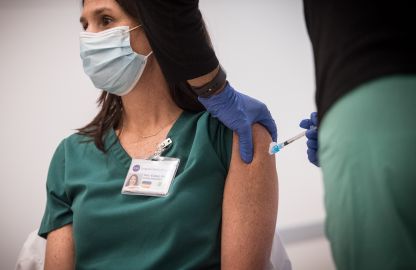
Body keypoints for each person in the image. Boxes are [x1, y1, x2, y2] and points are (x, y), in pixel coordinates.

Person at [134, 0, 416, 269]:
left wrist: (214, 89)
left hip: (377, 97)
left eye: (106, 19)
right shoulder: (90, 146)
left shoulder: (235, 136)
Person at [38, 0, 278, 269]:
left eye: (105, 20)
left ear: (157, 28)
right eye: (85, 25)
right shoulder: (71, 155)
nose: (89, 39)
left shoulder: (235, 134)